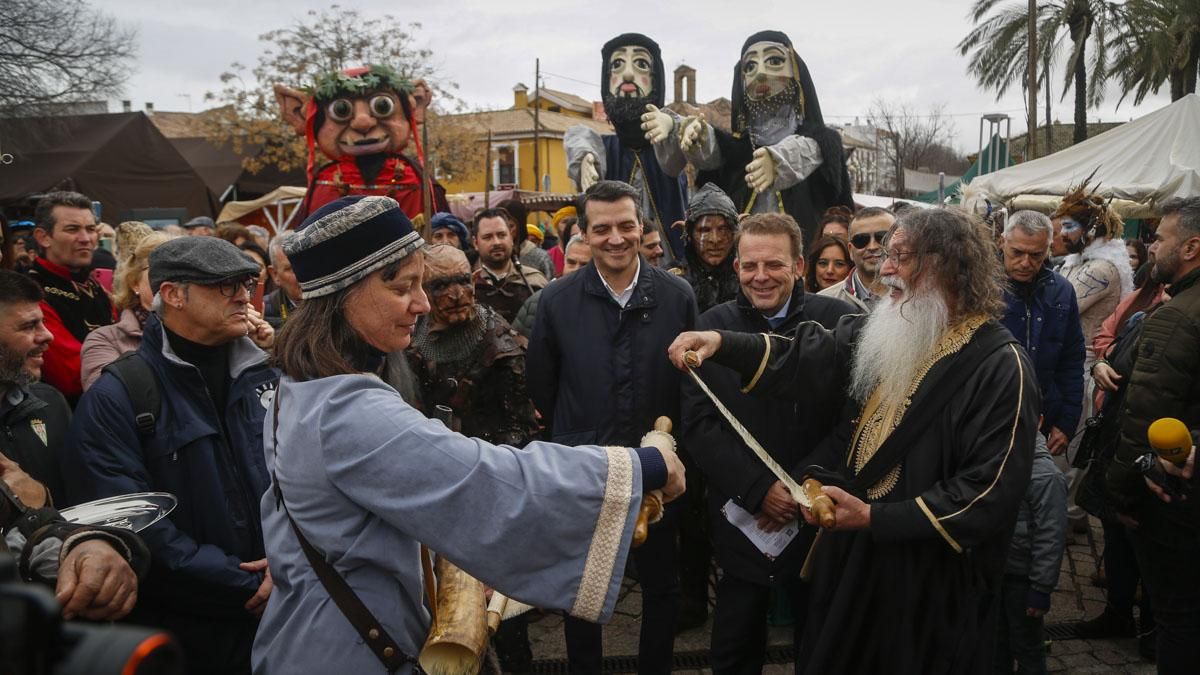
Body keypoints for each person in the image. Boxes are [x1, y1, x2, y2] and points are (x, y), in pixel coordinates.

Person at [251, 194, 685, 674]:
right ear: (343, 295)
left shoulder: (299, 386)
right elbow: (490, 479)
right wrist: (641, 466)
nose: (422, 302)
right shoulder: (345, 411)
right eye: (403, 287)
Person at [669, 207, 1039, 673]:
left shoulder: (1001, 366)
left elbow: (987, 493)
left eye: (900, 258)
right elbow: (805, 354)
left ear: (945, 265)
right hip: (865, 565)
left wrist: (873, 517)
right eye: (887, 256)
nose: (884, 269)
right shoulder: (896, 332)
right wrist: (721, 342)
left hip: (934, 582)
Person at [63, 236, 277, 674]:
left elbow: (305, 482)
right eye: (223, 285)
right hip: (187, 634)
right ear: (173, 295)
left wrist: (292, 564)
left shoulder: (269, 375)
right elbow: (130, 519)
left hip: (284, 614)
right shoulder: (119, 395)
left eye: (247, 282)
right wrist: (249, 582)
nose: (243, 295)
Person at [529, 180, 697, 675]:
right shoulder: (557, 302)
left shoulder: (675, 296)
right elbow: (543, 385)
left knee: (662, 587)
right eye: (601, 229)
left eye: (626, 226)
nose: (616, 238)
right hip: (586, 468)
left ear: (642, 227)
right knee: (584, 590)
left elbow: (691, 387)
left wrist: (671, 448)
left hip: (658, 471)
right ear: (583, 234)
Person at [682, 213, 854, 674]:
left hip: (819, 506)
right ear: (736, 267)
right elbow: (698, 423)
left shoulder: (838, 322)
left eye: (774, 265)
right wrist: (758, 488)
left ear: (800, 266)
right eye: (749, 266)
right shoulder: (710, 325)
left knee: (822, 639)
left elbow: (854, 418)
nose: (761, 277)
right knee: (735, 641)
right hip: (743, 514)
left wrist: (800, 486)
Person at [403, 244, 541, 673]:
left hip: (489, 485)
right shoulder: (408, 337)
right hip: (428, 488)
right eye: (442, 284)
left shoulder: (498, 343)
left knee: (504, 615)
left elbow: (521, 430)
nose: (458, 292)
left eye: (465, 280)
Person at [1107, 197, 1200, 672]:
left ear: (1191, 247)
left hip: (1174, 498)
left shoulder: (1177, 317)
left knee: (1178, 618)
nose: (1150, 246)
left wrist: (1120, 497)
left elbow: (1145, 415)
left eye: (1159, 237)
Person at [668, 31, 854, 245]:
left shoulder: (820, 143)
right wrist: (693, 133)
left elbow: (809, 150)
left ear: (796, 72)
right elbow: (714, 150)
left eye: (774, 61)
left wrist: (777, 161)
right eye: (750, 67)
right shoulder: (737, 151)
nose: (760, 74)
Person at [566, 33, 687, 262]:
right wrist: (584, 160)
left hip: (669, 266)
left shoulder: (669, 147)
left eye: (640, 64)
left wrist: (671, 125)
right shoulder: (603, 148)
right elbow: (579, 139)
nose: (628, 74)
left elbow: (691, 143)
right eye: (617, 65)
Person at [999, 210, 1086, 457]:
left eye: (1036, 255)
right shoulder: (980, 285)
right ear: (1003, 242)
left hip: (1043, 417)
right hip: (987, 418)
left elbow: (1072, 358)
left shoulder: (1062, 290)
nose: (1026, 263)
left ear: (1049, 247)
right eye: (1017, 252)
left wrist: (1067, 421)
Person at [27, 191, 116, 403]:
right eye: (72, 229)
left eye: (91, 229)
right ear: (43, 237)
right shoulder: (32, 294)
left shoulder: (93, 285)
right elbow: (74, 375)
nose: (85, 239)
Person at [994, 432, 1068, 675]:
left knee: (1027, 646)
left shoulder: (1047, 476)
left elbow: (1051, 537)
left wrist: (1041, 588)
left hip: (1024, 580)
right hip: (997, 571)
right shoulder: (994, 460)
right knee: (997, 641)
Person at [0, 270, 69, 504]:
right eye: (28, 326)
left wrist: (42, 499)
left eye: (43, 323)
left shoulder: (51, 403)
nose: (47, 336)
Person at [80, 232, 172, 391]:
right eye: (159, 270)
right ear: (134, 282)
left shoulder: (207, 329)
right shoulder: (106, 340)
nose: (171, 280)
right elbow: (107, 399)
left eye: (182, 271)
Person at [668, 183, 741, 314]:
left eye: (723, 229)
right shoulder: (671, 282)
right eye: (704, 230)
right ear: (689, 234)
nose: (715, 239)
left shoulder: (749, 278)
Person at [472, 208, 547, 324]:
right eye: (487, 237)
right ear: (475, 243)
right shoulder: (467, 285)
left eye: (502, 235)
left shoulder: (535, 282)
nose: (496, 242)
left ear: (511, 238)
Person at [512, 235, 592, 339]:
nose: (575, 270)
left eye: (584, 265)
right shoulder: (537, 302)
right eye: (571, 263)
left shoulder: (609, 306)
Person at [817, 206, 894, 311]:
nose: (872, 247)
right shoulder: (823, 302)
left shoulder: (918, 297)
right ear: (850, 250)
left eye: (882, 238)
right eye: (861, 240)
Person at [498, 198, 555, 281]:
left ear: (520, 226)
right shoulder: (487, 256)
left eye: (510, 226)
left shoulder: (540, 258)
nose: (504, 232)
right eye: (500, 226)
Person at [264, 231, 301, 330]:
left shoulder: (333, 304)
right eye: (291, 268)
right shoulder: (263, 313)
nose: (302, 273)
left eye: (306, 264)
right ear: (275, 274)